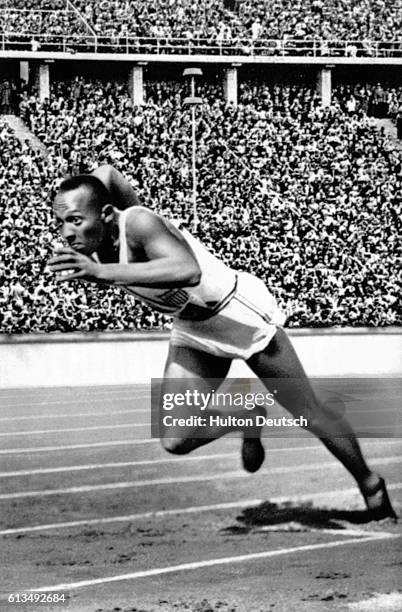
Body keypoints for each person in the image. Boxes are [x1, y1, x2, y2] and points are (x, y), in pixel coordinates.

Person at [48, 164, 397, 521]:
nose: (67, 232)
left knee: (306, 411)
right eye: (61, 222)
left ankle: (370, 483)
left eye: (75, 220)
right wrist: (82, 194)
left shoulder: (137, 224)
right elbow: (104, 174)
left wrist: (103, 271)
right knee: (175, 439)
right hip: (193, 329)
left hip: (237, 315)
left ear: (106, 214)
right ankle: (246, 415)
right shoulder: (92, 243)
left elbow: (188, 270)